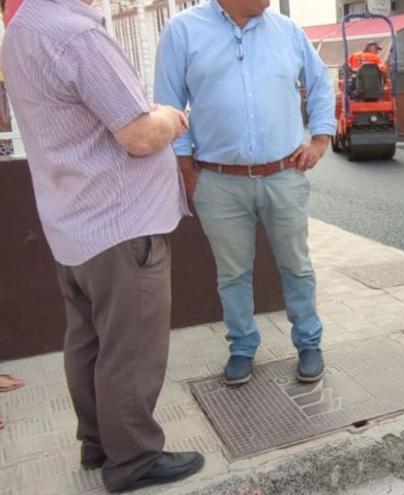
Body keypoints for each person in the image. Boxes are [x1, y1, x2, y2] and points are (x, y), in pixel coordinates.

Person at [2, 0, 205, 491]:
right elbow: (137, 135)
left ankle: (99, 442)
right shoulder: (76, 35)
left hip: (75, 224)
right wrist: (174, 117)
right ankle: (133, 459)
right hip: (120, 226)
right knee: (130, 349)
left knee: (88, 340)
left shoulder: (23, 29)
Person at [154, 0, 336, 386]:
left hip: (283, 175)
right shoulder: (183, 31)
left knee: (297, 266)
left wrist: (320, 139)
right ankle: (242, 346)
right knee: (233, 273)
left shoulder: (287, 31)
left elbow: (321, 81)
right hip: (218, 180)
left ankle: (308, 342)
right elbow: (168, 105)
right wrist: (187, 170)